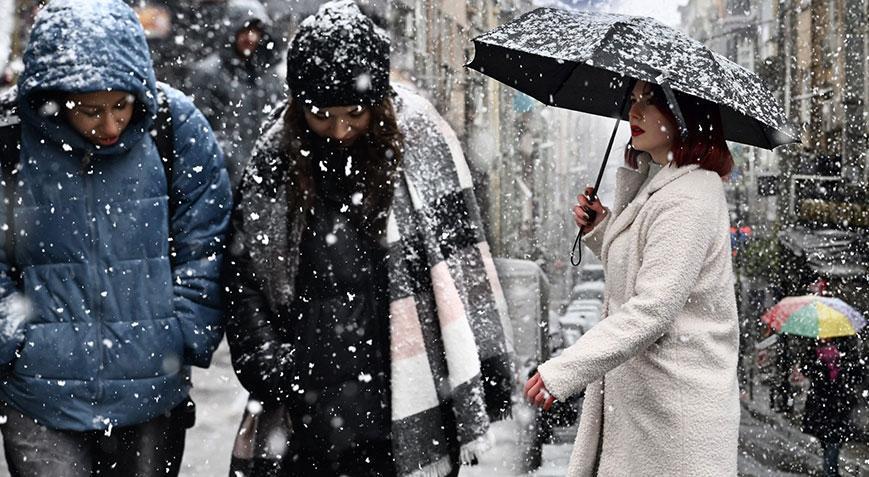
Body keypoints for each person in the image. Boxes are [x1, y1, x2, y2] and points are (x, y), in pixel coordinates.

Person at [224, 2, 514, 476]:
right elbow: (245, 274)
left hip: (406, 398)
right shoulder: (276, 156)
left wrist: (484, 370)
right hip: (308, 413)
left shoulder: (420, 137)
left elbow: (461, 265)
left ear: (376, 103)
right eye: (320, 114)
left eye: (354, 113)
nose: (338, 130)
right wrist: (267, 359)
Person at [0, 1, 231, 475]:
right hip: (40, 396)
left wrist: (182, 330)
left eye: (121, 105)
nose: (109, 126)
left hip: (150, 387)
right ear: (56, 96)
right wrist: (12, 337)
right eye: (90, 111)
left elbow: (205, 238)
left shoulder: (173, 124)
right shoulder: (10, 138)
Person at [524, 79, 740, 475]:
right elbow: (646, 268)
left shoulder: (687, 196)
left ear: (683, 114)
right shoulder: (663, 185)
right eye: (633, 100)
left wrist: (567, 367)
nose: (634, 113)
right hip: (650, 412)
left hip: (672, 420)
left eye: (651, 102)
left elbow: (652, 308)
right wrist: (604, 229)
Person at [190, 0, 284, 190]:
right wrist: (224, 155)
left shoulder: (271, 78)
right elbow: (199, 128)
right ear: (231, 31)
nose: (250, 37)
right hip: (222, 176)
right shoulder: (209, 74)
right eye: (244, 29)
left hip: (261, 178)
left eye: (255, 31)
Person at [801, 337, 861, 477]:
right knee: (828, 439)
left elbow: (857, 374)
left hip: (837, 403)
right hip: (823, 403)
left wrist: (842, 371)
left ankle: (830, 470)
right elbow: (806, 369)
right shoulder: (813, 349)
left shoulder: (845, 348)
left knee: (833, 439)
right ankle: (830, 470)